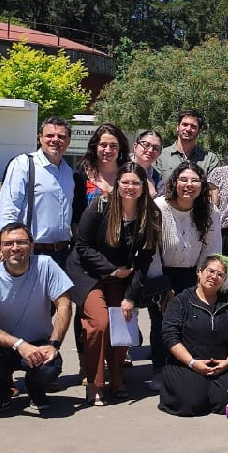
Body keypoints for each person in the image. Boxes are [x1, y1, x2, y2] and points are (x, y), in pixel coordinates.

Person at [0, 224, 74, 417]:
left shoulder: (46, 265)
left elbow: (64, 304)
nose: (15, 247)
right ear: (0, 248)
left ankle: (35, 389)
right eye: (8, 243)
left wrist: (54, 344)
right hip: (3, 346)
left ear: (31, 246)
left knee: (50, 367)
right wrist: (19, 345)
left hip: (39, 343)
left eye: (21, 242)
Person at [71, 163, 158, 406]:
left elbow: (145, 259)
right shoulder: (100, 206)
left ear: (143, 188)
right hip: (89, 274)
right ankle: (94, 383)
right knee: (99, 324)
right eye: (125, 182)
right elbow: (82, 246)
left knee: (123, 320)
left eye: (135, 183)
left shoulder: (149, 215)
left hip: (122, 277)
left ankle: (117, 378)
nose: (130, 187)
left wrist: (130, 296)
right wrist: (111, 270)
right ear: (118, 184)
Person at [149, 162, 224, 388]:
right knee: (161, 323)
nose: (188, 185)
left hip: (193, 273)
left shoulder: (210, 211)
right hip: (160, 272)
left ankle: (185, 368)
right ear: (174, 182)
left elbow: (212, 251)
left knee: (190, 323)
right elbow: (150, 251)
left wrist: (202, 283)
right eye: (183, 180)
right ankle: (160, 369)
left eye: (194, 181)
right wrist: (164, 286)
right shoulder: (158, 207)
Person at [157, 254, 228, 416]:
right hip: (187, 364)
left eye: (220, 274)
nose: (214, 277)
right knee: (193, 403)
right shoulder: (181, 302)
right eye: (210, 271)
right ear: (200, 272)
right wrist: (192, 363)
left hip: (222, 366)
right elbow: (170, 337)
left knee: (225, 402)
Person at [0, 116, 76, 267]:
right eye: (50, 135)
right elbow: (9, 208)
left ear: (68, 141)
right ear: (40, 138)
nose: (55, 140)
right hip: (30, 253)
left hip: (62, 254)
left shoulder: (68, 171)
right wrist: (7, 247)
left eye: (61, 136)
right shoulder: (23, 164)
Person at [71, 124, 128, 226]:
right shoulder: (81, 176)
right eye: (103, 145)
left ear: (120, 148)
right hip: (87, 238)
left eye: (113, 146)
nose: (108, 150)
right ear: (95, 146)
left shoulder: (128, 176)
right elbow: (75, 214)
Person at [157, 109, 221, 189]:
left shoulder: (210, 159)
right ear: (177, 127)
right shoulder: (160, 156)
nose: (188, 129)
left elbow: (212, 190)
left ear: (199, 130)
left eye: (193, 126)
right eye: (185, 124)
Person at [130, 130, 165, 196]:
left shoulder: (157, 179)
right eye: (146, 145)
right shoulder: (119, 165)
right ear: (135, 146)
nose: (150, 150)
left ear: (159, 154)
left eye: (155, 148)